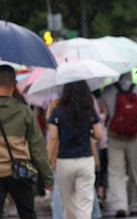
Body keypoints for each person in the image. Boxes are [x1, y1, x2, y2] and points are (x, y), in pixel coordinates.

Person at [0, 65, 53, 219]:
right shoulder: (24, 111)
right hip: (20, 172)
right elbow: (37, 148)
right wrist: (47, 178)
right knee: (28, 214)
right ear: (14, 85)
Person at [47, 80, 103, 219]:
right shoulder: (89, 110)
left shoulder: (58, 111)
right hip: (85, 160)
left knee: (68, 203)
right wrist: (87, 132)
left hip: (64, 161)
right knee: (84, 202)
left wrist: (48, 159)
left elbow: (53, 138)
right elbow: (99, 135)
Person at [102, 72, 137, 217]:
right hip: (134, 136)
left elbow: (103, 111)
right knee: (135, 171)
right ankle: (135, 205)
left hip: (114, 136)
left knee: (116, 172)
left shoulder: (108, 90)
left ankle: (121, 205)